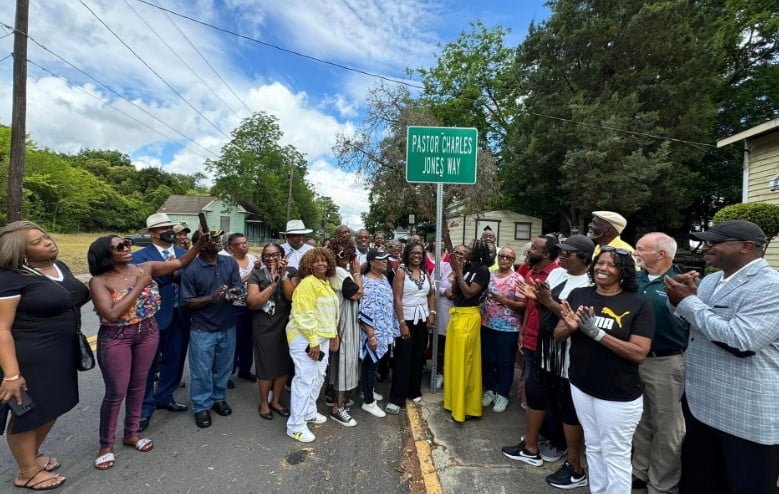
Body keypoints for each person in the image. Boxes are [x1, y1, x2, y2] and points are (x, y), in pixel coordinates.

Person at [664, 220, 779, 494]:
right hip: (700, 404)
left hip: (744, 411)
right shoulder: (712, 279)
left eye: (715, 242)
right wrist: (675, 299)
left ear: (746, 247)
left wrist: (688, 301)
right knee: (700, 481)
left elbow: (743, 341)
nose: (705, 247)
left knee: (745, 484)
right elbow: (692, 325)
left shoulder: (770, 286)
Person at [88, 233, 203, 470]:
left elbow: (180, 263)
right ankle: (106, 445)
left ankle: (131, 433)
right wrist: (139, 285)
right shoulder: (99, 281)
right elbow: (111, 313)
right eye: (118, 246)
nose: (126, 247)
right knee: (116, 391)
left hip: (147, 330)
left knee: (139, 385)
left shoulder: (145, 266)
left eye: (127, 243)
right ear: (105, 254)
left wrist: (199, 244)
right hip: (117, 336)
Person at [0, 221, 90, 491]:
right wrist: (12, 375)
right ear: (20, 251)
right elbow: (2, 328)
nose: (48, 242)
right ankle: (26, 471)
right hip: (30, 357)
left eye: (46, 237)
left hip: (60, 353)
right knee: (28, 413)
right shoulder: (10, 277)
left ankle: (33, 455)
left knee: (54, 406)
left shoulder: (58, 267)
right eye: (37, 242)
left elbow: (71, 297)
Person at [559, 247, 654, 493]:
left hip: (618, 394)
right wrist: (570, 327)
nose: (603, 268)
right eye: (600, 263)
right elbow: (558, 334)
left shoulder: (638, 304)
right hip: (582, 386)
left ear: (623, 272)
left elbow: (639, 353)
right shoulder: (579, 294)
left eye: (611, 265)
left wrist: (597, 334)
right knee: (593, 446)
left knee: (616, 454)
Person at [503, 235, 593, 490]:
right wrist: (535, 298)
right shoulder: (556, 276)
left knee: (566, 407)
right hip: (544, 348)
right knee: (535, 393)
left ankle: (575, 466)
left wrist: (547, 302)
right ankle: (530, 447)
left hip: (567, 355)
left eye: (569, 253)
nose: (562, 256)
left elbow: (574, 319)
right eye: (561, 252)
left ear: (584, 259)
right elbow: (545, 309)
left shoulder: (588, 284)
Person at [631, 233, 688, 493]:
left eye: (641, 249)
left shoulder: (681, 282)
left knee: (668, 426)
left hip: (665, 362)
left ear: (662, 254)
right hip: (633, 359)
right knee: (640, 420)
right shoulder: (635, 279)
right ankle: (639, 471)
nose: (636, 253)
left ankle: (662, 484)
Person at [132, 213, 191, 432]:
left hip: (181, 315)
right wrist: (171, 273)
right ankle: (144, 408)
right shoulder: (140, 257)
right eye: (165, 228)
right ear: (153, 233)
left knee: (175, 360)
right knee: (147, 365)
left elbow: (191, 276)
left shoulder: (185, 253)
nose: (171, 231)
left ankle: (165, 397)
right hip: (154, 317)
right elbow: (145, 279)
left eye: (171, 227)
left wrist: (176, 273)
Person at [180, 230, 242, 428]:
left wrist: (233, 293)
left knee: (223, 367)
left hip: (227, 325)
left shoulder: (229, 262)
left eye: (217, 238)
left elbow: (237, 286)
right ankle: (201, 406)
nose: (217, 241)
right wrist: (211, 298)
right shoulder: (191, 269)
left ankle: (218, 398)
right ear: (201, 244)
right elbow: (187, 302)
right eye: (212, 239)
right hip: (203, 328)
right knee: (201, 371)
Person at [285, 248, 339, 443]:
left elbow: (328, 312)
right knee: (304, 379)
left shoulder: (323, 283)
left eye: (324, 260)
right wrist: (313, 342)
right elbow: (303, 314)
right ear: (308, 264)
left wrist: (333, 334)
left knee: (318, 376)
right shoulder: (308, 284)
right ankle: (296, 426)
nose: (321, 264)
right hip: (305, 338)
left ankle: (309, 411)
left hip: (321, 338)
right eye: (316, 261)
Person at [246, 243, 296, 420]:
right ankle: (263, 402)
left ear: (282, 256)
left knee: (283, 364)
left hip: (286, 324)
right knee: (266, 365)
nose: (271, 258)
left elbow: (291, 296)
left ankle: (275, 400)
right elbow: (253, 303)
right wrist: (272, 286)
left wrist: (282, 277)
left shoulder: (291, 271)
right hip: (264, 325)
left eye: (275, 255)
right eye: (266, 255)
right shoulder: (257, 276)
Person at [444, 240, 492, 422]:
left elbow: (470, 293)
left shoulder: (482, 271)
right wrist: (458, 273)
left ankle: (467, 407)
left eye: (469, 249)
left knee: (466, 363)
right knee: (454, 362)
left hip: (469, 318)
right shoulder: (467, 267)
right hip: (457, 316)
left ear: (477, 252)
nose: (465, 250)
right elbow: (456, 292)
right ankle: (453, 402)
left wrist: (459, 273)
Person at [388, 242, 436, 414]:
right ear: (407, 254)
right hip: (406, 320)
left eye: (420, 253)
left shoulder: (425, 272)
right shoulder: (401, 272)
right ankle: (396, 398)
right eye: (414, 253)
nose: (417, 256)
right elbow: (397, 299)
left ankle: (413, 391)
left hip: (422, 320)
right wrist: (401, 323)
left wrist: (432, 312)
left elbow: (430, 293)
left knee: (418, 357)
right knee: (403, 359)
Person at [480, 247, 526, 413]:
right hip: (486, 325)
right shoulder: (490, 275)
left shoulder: (517, 279)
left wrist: (505, 301)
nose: (504, 259)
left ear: (513, 261)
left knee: (505, 363)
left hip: (509, 328)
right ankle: (490, 390)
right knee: (487, 360)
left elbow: (523, 305)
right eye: (502, 256)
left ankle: (503, 394)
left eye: (509, 257)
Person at [326, 236, 363, 426]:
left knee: (336, 364)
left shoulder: (334, 271)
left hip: (337, 323)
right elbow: (358, 293)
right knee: (345, 365)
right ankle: (337, 408)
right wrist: (357, 273)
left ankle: (332, 399)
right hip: (344, 325)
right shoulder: (340, 273)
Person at [358, 250, 399, 418]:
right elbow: (363, 312)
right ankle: (368, 402)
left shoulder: (383, 278)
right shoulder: (366, 282)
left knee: (373, 366)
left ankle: (368, 391)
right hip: (372, 332)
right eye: (381, 260)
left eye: (386, 259)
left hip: (384, 330)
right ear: (371, 262)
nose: (385, 262)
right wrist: (371, 335)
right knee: (369, 365)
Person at [225, 232, 260, 384]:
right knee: (234, 340)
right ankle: (227, 373)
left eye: (245, 242)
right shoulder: (227, 262)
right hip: (234, 306)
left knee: (248, 339)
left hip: (251, 304)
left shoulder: (253, 259)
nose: (244, 245)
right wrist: (253, 273)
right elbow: (234, 284)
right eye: (239, 243)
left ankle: (244, 369)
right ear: (231, 247)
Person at [435, 245, 466, 390]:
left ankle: (453, 375)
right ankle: (440, 373)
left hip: (461, 312)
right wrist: (444, 291)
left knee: (456, 347)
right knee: (441, 344)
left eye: (463, 253)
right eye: (457, 253)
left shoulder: (468, 269)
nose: (459, 256)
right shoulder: (442, 266)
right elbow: (432, 284)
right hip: (443, 310)